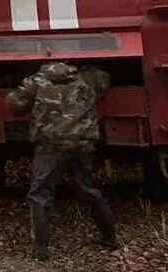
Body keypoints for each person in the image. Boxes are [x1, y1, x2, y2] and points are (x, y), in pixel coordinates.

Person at [7, 62, 119, 261]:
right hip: (82, 143)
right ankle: (109, 237)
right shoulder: (89, 78)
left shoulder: (36, 82)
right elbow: (106, 81)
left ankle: (41, 249)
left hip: (50, 145)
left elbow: (14, 104)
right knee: (88, 189)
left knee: (39, 194)